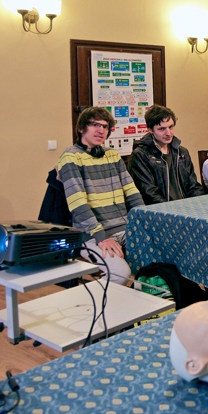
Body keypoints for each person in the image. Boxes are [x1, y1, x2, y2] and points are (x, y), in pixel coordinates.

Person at [57, 106, 144, 284]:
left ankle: (136, 300)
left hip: (125, 228)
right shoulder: (71, 157)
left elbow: (131, 191)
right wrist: (101, 237)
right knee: (120, 273)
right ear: (81, 128)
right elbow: (77, 204)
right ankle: (96, 303)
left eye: (105, 126)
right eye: (94, 125)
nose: (101, 130)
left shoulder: (112, 155)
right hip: (91, 234)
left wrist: (142, 221)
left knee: (160, 260)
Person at [128, 104, 205, 204]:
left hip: (186, 207)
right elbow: (149, 193)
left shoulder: (182, 152)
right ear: (150, 130)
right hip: (161, 209)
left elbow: (193, 186)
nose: (168, 133)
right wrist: (171, 209)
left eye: (171, 127)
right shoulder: (141, 155)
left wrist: (198, 204)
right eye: (162, 129)